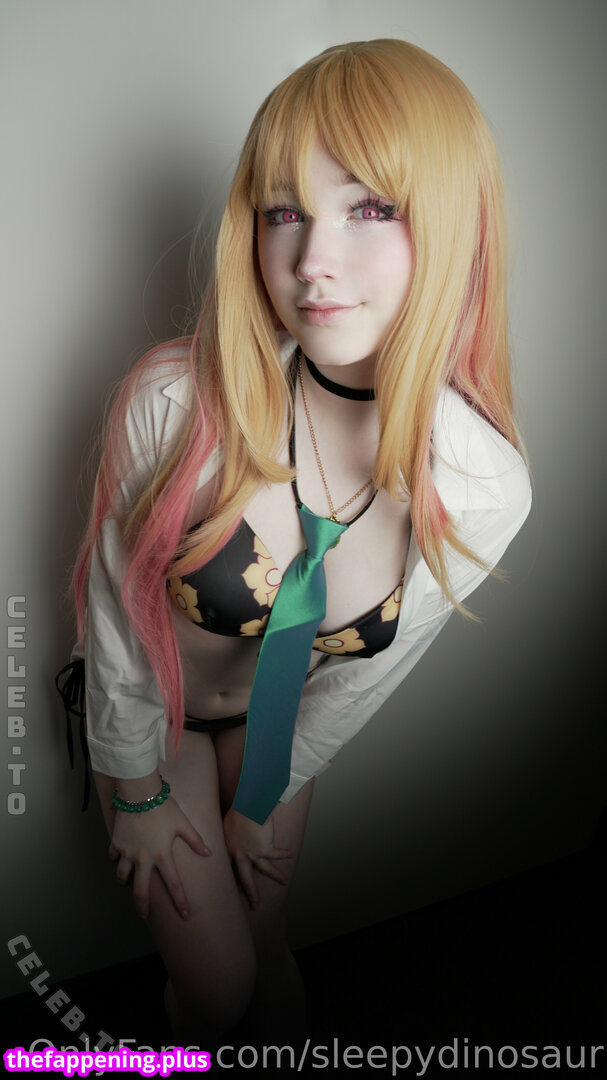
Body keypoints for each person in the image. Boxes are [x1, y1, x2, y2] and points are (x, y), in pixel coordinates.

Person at [58, 38, 531, 1046]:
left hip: (279, 732)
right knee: (219, 989)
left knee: (269, 949)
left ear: (453, 223)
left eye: (371, 208)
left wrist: (271, 785)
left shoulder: (484, 489)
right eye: (284, 211)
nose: (311, 261)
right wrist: (134, 789)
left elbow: (363, 678)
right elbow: (115, 611)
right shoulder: (174, 404)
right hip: (158, 717)